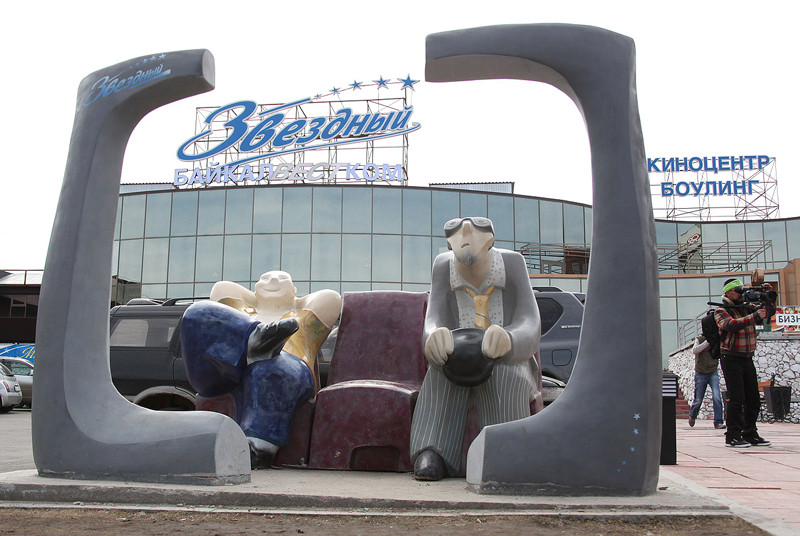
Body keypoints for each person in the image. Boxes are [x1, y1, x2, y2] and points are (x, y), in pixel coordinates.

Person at [409, 217, 541, 480]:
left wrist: (510, 339)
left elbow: (530, 319)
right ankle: (432, 450)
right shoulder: (443, 266)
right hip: (459, 353)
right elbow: (434, 316)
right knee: (439, 373)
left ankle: (504, 451)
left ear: (490, 240)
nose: (467, 231)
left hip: (506, 356)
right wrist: (435, 337)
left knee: (504, 375)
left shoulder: (512, 263)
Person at [181, 271, 342, 468]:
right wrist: (254, 301)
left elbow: (330, 298)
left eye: (282, 280)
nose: (272, 281)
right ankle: (254, 339)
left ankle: (257, 448)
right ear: (254, 290)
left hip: (288, 365)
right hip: (225, 372)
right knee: (196, 311)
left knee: (267, 367)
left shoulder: (302, 315)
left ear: (294, 291)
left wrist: (295, 301)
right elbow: (222, 288)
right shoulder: (241, 310)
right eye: (264, 279)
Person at [714, 278, 771, 448]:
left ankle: (750, 432)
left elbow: (767, 314)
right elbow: (729, 325)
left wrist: (767, 298)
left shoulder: (746, 307)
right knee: (736, 398)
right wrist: (753, 316)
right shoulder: (721, 310)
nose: (740, 294)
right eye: (737, 290)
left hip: (747, 357)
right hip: (730, 357)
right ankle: (732, 435)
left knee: (753, 398)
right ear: (728, 292)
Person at [688, 334, 725, 429]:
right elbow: (695, 350)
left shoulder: (717, 339)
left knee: (717, 397)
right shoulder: (699, 339)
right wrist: (707, 342)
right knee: (698, 399)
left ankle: (718, 422)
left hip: (713, 372)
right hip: (701, 372)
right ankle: (692, 415)